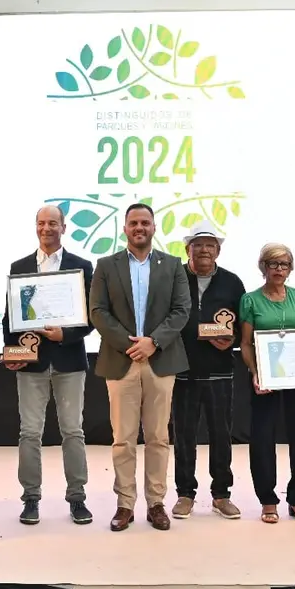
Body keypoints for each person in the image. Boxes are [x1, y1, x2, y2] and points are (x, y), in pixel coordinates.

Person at [89, 203, 190, 531]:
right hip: (122, 361)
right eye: (133, 223)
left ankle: (157, 502)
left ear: (154, 227)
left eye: (145, 222)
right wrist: (131, 345)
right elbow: (98, 311)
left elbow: (181, 310)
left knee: (159, 437)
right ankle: (125, 504)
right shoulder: (106, 265)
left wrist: (154, 342)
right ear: (125, 229)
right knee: (123, 438)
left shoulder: (173, 265)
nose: (139, 228)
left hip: (161, 361)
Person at [3, 206, 95, 525]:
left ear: (64, 227)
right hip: (31, 363)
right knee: (29, 432)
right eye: (41, 223)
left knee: (73, 431)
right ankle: (31, 498)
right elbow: (9, 318)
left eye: (53, 223)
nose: (47, 228)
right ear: (35, 227)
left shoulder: (81, 267)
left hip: (69, 360)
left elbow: (92, 317)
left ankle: (77, 498)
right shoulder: (20, 267)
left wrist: (64, 335)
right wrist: (13, 352)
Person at [238, 242, 295, 525]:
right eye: (273, 264)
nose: (278, 269)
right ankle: (268, 501)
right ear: (263, 267)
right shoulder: (250, 300)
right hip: (267, 381)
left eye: (284, 264)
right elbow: (246, 344)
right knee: (262, 440)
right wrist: (254, 373)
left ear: (290, 268)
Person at [170, 221, 246, 521]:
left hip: (220, 372)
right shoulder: (174, 278)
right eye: (198, 244)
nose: (204, 249)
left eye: (210, 244)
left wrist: (233, 340)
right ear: (187, 248)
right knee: (184, 435)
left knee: (221, 435)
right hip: (181, 371)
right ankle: (185, 494)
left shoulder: (232, 282)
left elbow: (243, 327)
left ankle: (221, 495)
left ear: (218, 250)